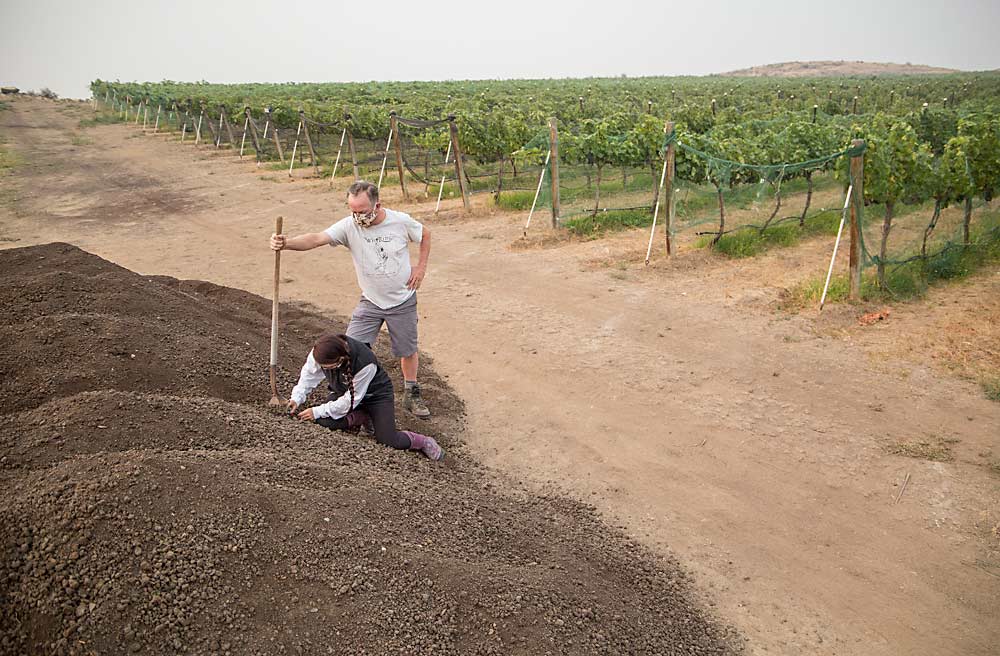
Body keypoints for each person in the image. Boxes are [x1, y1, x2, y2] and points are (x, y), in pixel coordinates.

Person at [270, 180, 432, 417]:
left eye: (363, 211)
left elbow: (425, 234)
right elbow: (316, 238)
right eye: (353, 211)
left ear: (378, 205)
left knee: (407, 349)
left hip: (402, 299)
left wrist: (420, 268)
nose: (358, 217)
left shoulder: (399, 221)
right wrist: (287, 244)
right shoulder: (349, 227)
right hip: (371, 300)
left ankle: (411, 392)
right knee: (349, 347)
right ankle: (344, 392)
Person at [288, 332, 445, 461]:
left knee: (388, 440)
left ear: (340, 360)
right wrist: (296, 398)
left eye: (326, 367)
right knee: (323, 420)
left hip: (376, 397)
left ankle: (423, 441)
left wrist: (316, 410)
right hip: (345, 393)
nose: (322, 369)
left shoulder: (365, 362)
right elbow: (308, 376)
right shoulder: (320, 352)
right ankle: (361, 417)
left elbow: (350, 401)